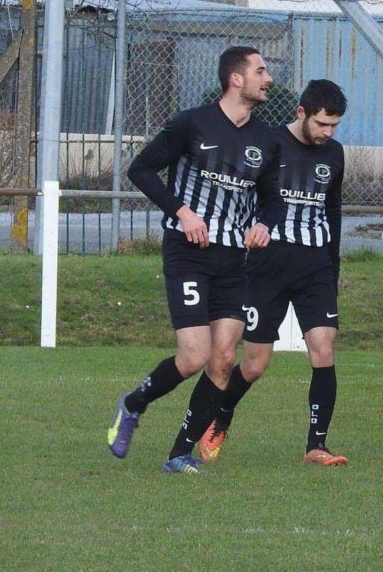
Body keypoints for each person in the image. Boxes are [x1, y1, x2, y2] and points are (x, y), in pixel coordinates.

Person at [107, 46, 278, 474]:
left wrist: (264, 224)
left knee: (223, 359)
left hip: (235, 260)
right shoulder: (192, 123)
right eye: (261, 71)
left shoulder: (265, 140)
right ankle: (133, 403)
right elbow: (141, 169)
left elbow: (272, 198)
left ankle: (178, 454)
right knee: (194, 357)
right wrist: (181, 212)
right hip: (189, 255)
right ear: (236, 79)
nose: (268, 79)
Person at [197, 80, 350, 467]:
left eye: (334, 126)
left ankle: (317, 445)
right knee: (256, 363)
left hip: (315, 263)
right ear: (301, 112)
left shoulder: (334, 153)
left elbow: (332, 210)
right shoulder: (268, 143)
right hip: (267, 263)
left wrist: (333, 267)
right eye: (321, 124)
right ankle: (220, 417)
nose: (327, 133)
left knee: (324, 348)